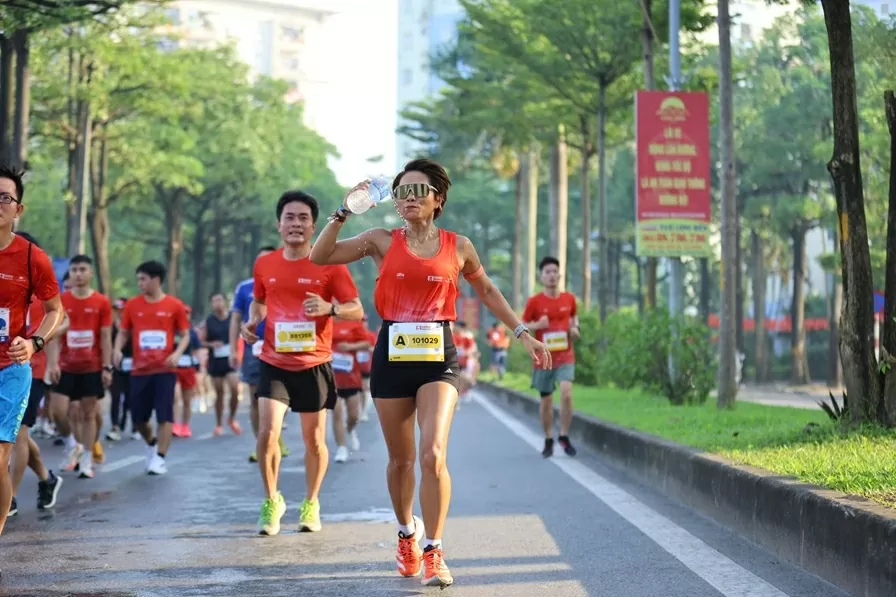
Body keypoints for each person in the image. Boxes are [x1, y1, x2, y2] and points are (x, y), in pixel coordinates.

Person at [309, 158, 550, 587]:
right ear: (395, 200)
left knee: (432, 454)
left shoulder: (459, 247)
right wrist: (345, 209)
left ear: (438, 199)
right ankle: (407, 534)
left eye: (419, 190)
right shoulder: (380, 240)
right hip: (392, 353)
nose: (410, 197)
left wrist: (523, 332)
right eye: (402, 191)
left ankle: (435, 548)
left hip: (439, 355)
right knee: (401, 461)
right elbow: (320, 255)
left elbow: (489, 291)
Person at [241, 190, 363, 537]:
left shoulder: (329, 264)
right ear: (279, 224)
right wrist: (252, 324)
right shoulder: (264, 264)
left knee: (314, 441)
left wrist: (331, 309)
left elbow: (356, 308)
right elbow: (260, 304)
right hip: (273, 360)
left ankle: (311, 502)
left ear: (313, 226)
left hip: (314, 364)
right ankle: (272, 500)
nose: (296, 223)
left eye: (303, 218)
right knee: (267, 435)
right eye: (289, 217)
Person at [0, 165, 65, 550]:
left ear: (17, 209)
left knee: (0, 452)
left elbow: (55, 310)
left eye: (4, 197)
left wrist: (36, 342)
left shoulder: (30, 257)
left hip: (11, 367)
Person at [113, 261, 191, 475]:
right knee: (138, 418)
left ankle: (160, 457)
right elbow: (123, 332)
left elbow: (185, 335)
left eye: (143, 279)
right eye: (138, 279)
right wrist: (117, 349)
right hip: (140, 370)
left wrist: (176, 354)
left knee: (164, 415)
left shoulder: (174, 305)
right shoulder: (132, 305)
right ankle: (151, 443)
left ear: (156, 280)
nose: (140, 283)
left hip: (165, 369)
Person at [9, 231, 65, 517]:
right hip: (6, 367)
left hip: (30, 370)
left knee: (17, 434)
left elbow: (59, 321)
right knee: (13, 434)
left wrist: (49, 359)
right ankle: (46, 477)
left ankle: (10, 499)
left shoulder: (43, 289)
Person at [229, 246, 290, 463]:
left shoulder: (287, 282)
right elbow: (236, 319)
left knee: (282, 397)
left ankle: (276, 435)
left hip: (284, 346)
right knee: (256, 398)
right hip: (254, 350)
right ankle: (262, 444)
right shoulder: (245, 288)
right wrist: (232, 348)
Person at [54, 254, 113, 479]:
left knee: (88, 414)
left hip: (91, 366)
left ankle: (87, 458)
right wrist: (52, 363)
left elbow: (105, 336)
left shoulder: (101, 302)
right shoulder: (61, 300)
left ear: (90, 273)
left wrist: (107, 367)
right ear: (70, 274)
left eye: (83, 269)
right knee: (58, 412)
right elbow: (54, 335)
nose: (78, 274)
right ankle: (72, 445)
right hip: (66, 365)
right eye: (75, 270)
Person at [522, 256, 580, 458]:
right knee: (546, 401)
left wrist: (575, 329)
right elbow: (522, 325)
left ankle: (563, 435)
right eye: (548, 272)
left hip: (566, 355)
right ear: (541, 276)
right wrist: (537, 326)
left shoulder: (569, 299)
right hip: (543, 358)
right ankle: (548, 437)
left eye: (555, 271)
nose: (552, 275)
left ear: (560, 275)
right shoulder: (535, 302)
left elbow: (574, 317)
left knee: (566, 393)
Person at [331, 310, 371, 462]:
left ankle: (350, 430)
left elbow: (367, 344)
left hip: (351, 376)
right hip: (332, 377)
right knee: (337, 412)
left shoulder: (354, 324)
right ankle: (341, 448)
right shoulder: (326, 322)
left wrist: (349, 347)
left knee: (354, 415)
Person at [202, 292, 241, 436]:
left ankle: (231, 418)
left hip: (230, 359)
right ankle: (218, 423)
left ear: (225, 302)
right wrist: (211, 344)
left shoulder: (233, 318)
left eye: (219, 300)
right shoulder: (209, 320)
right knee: (219, 393)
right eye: (214, 301)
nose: (217, 303)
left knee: (235, 388)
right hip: (216, 360)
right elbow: (201, 340)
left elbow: (240, 334)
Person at [107, 298, 134, 441]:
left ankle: (129, 422)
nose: (119, 313)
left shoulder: (134, 328)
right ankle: (115, 426)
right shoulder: (111, 327)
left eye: (122, 310)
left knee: (130, 397)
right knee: (115, 397)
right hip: (116, 367)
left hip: (132, 367)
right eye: (117, 310)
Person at [173, 305, 201, 438]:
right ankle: (175, 424)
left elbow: (197, 350)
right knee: (176, 396)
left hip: (188, 368)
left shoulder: (193, 332)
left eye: (187, 314)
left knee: (187, 400)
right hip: (174, 368)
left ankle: (185, 425)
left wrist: (200, 367)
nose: (184, 316)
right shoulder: (172, 330)